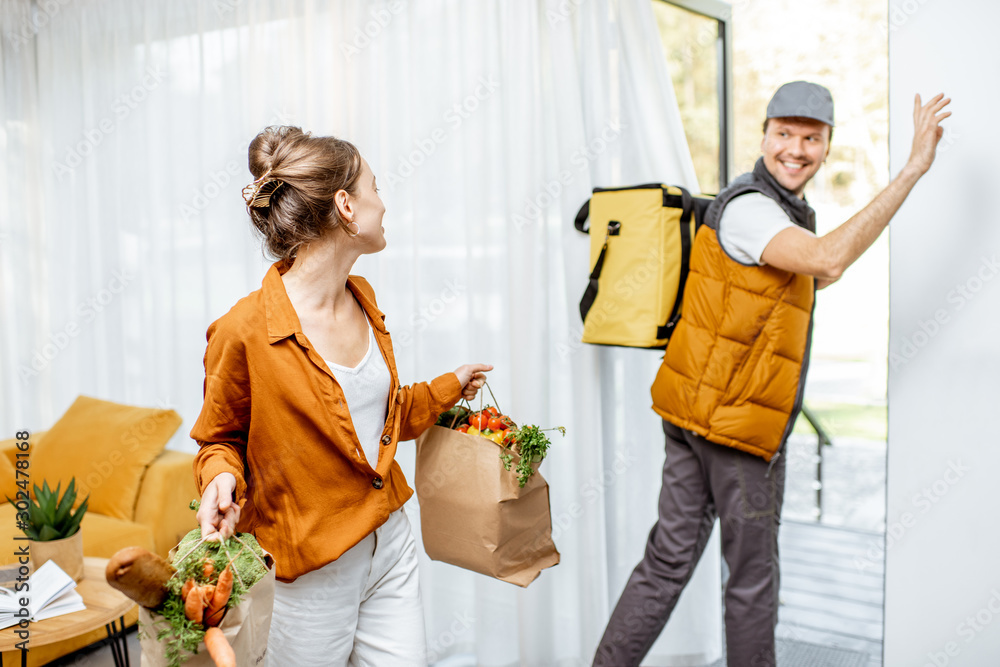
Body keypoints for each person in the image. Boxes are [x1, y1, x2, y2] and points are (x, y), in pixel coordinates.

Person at [593, 82, 951, 666]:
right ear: (763, 136)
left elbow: (817, 268)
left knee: (666, 562)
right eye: (784, 133)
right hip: (736, 429)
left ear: (827, 146)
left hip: (695, 414)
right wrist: (912, 169)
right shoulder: (750, 207)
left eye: (812, 137)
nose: (796, 149)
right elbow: (828, 259)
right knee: (754, 582)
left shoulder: (779, 213)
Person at [190, 125, 491, 666]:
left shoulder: (363, 296)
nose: (384, 203)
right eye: (375, 187)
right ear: (346, 205)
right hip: (309, 571)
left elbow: (378, 417)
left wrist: (449, 386)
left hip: (389, 541)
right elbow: (218, 438)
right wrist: (221, 476)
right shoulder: (242, 330)